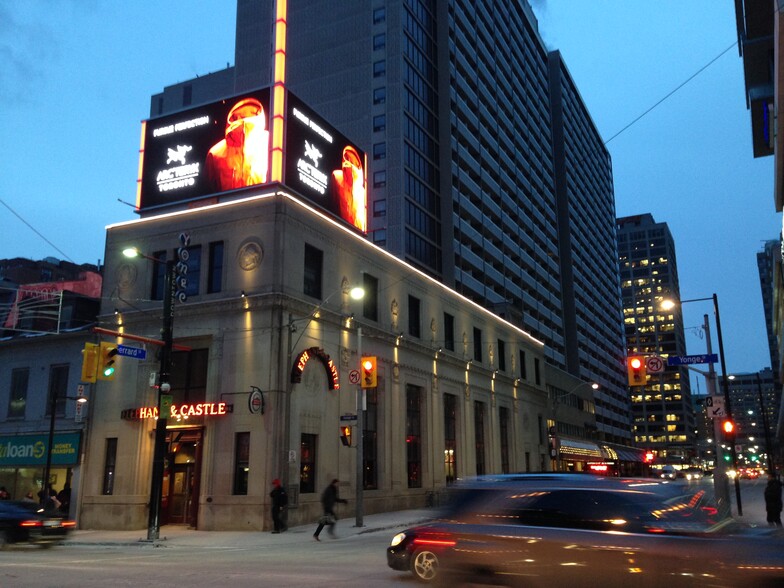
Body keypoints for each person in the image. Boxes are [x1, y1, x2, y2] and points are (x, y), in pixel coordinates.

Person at [204, 97, 269, 193]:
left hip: (267, 206)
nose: (239, 119)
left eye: (245, 115)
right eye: (237, 116)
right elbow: (208, 191)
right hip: (228, 207)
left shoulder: (272, 143)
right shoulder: (215, 152)